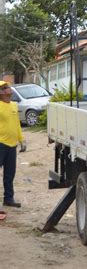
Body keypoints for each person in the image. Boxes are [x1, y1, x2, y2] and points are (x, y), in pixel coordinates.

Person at [0, 80, 26, 208]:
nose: (8, 89)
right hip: (0, 143)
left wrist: (21, 139)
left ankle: (8, 199)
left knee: (10, 174)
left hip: (12, 145)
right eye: (5, 87)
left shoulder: (14, 105)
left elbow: (17, 124)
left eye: (8, 86)